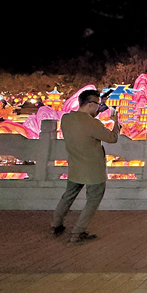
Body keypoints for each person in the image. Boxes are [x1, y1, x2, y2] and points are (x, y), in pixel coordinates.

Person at [51, 89, 121, 245]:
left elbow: (82, 129)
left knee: (68, 196)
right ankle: (78, 232)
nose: (99, 107)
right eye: (98, 104)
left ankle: (56, 224)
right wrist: (116, 123)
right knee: (92, 201)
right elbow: (112, 138)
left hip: (75, 166)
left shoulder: (66, 118)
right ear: (90, 104)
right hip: (93, 170)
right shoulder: (92, 123)